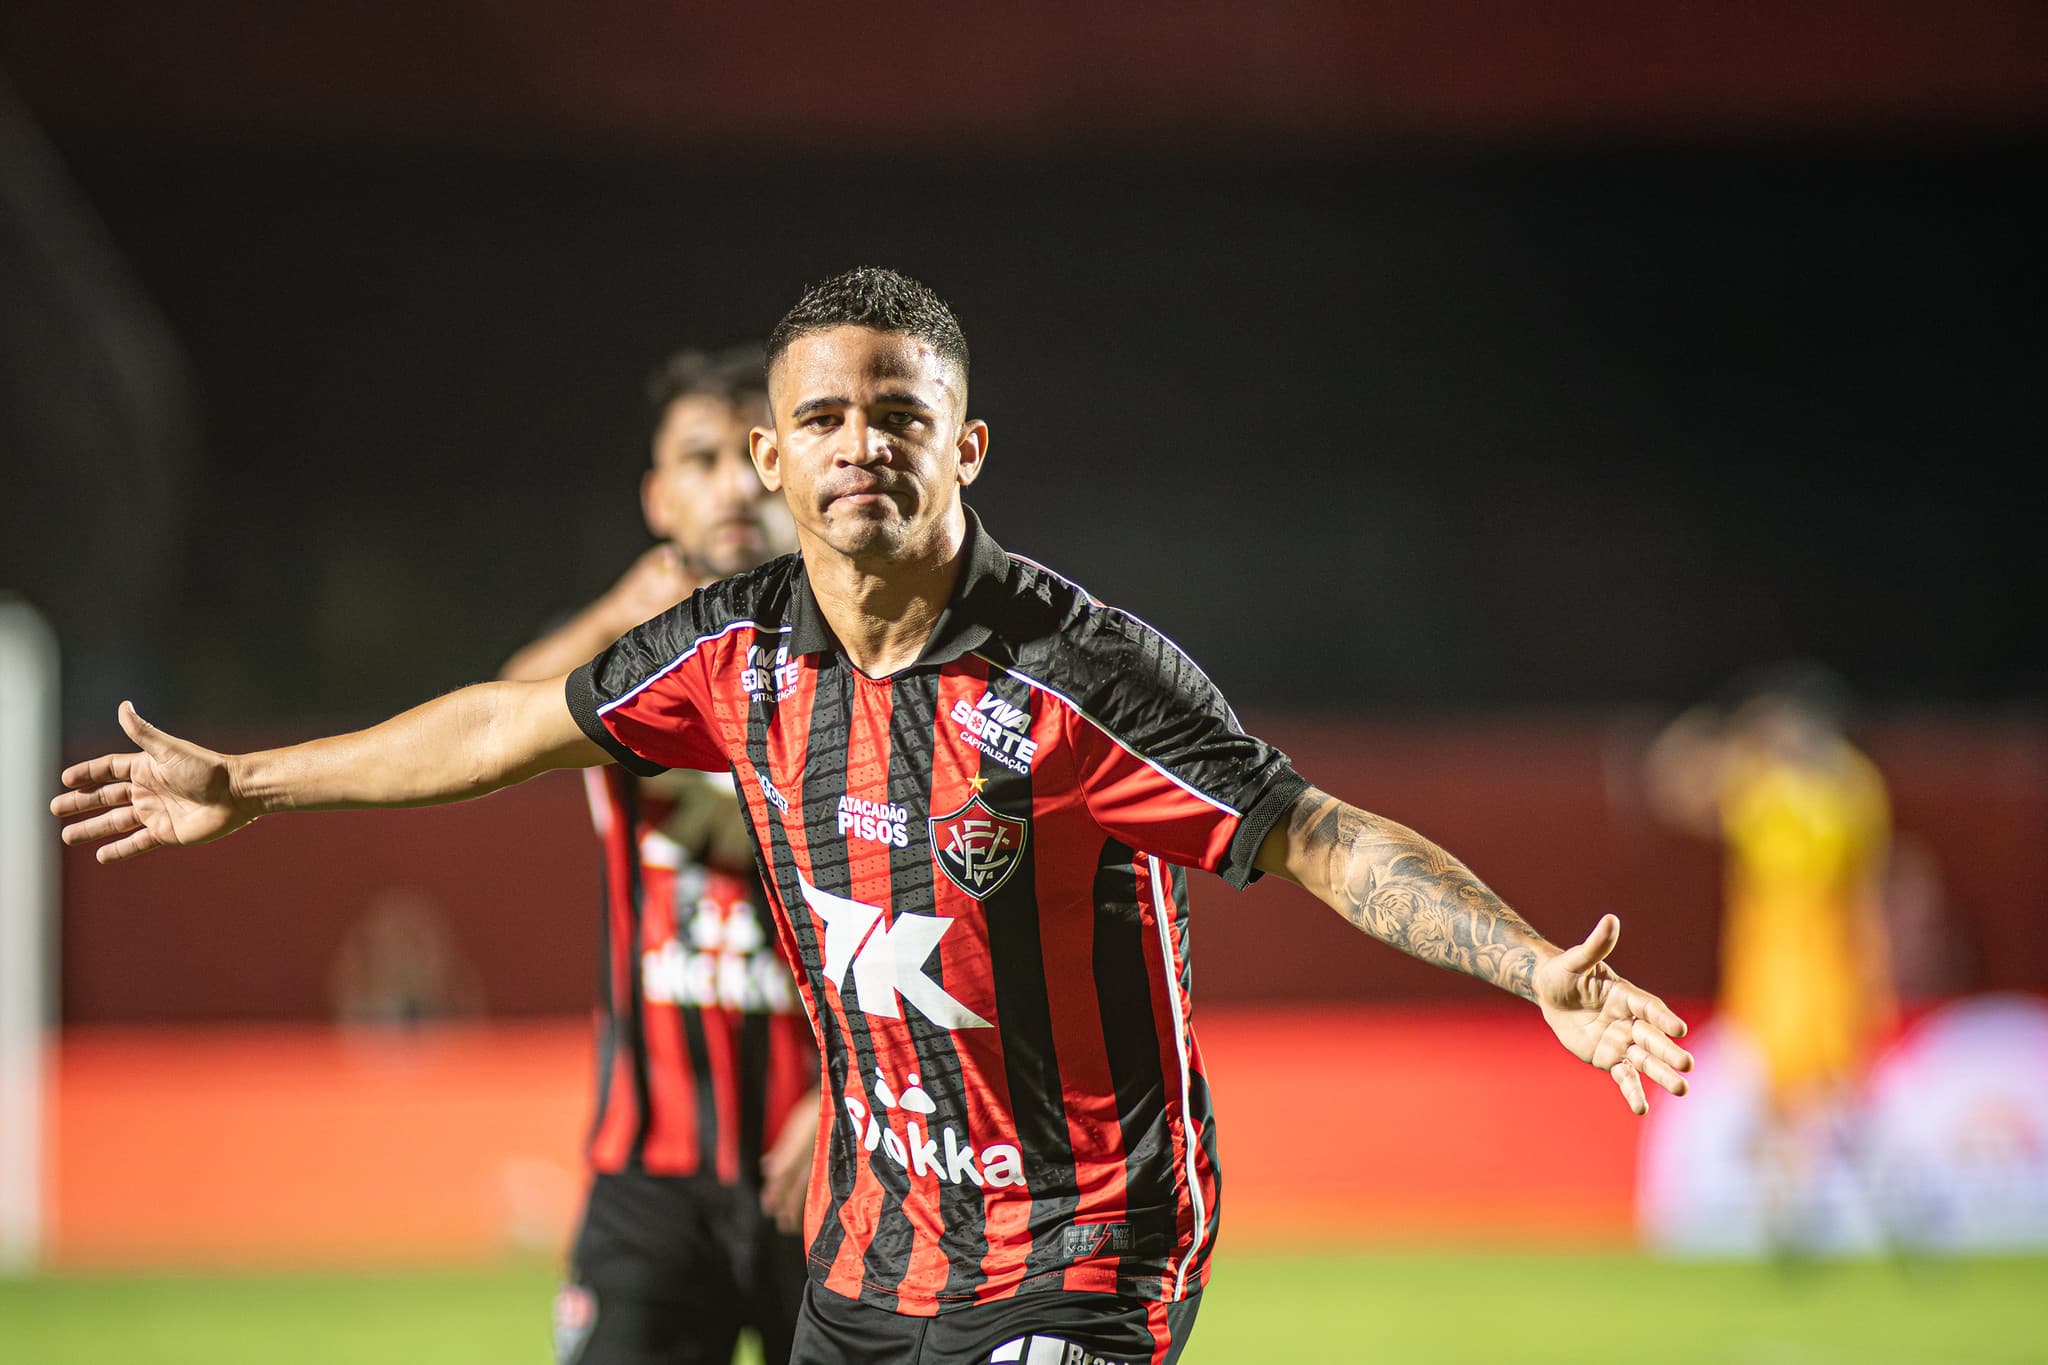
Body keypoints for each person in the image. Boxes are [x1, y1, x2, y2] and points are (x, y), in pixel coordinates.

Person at [54, 267, 1693, 1365]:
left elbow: (1318, 833)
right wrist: (249, 785)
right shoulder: (735, 646)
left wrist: (1529, 962)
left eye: (898, 417)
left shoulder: (1077, 674)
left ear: (961, 445)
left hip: (1080, 1242)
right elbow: (507, 724)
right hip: (872, 1252)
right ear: (773, 458)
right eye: (825, 420)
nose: (860, 449)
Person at [497, 347, 817, 1365]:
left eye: (749, 455)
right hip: (648, 1176)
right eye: (700, 457)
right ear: (657, 495)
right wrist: (609, 615)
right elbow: (500, 721)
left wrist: (851, 1096)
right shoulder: (622, 673)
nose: (730, 484)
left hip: (833, 1162)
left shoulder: (858, 667)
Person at [1643, 659, 1893, 1251]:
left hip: (1832, 965)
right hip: (1768, 964)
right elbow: (1671, 783)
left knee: (1834, 1091)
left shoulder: (1853, 788)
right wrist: (1722, 724)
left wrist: (1877, 969)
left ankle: (1863, 1203)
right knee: (1781, 1089)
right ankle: (1794, 1214)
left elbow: (1868, 889)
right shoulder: (1759, 781)